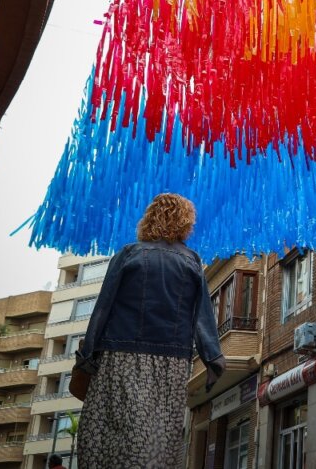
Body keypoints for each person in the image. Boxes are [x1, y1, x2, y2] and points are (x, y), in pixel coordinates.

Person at [74, 193, 226, 468]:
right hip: (171, 362)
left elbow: (103, 307)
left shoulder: (129, 254)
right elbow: (202, 314)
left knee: (109, 435)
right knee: (158, 439)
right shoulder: (191, 261)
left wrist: (87, 356)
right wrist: (213, 358)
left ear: (149, 219)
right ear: (185, 222)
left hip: (120, 355)